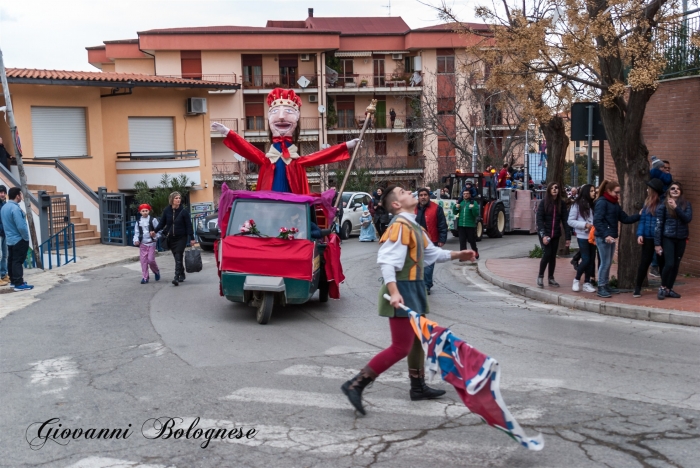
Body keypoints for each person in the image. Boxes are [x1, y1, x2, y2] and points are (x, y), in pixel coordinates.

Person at [340, 185, 476, 415]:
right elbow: (387, 261)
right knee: (400, 346)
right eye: (403, 192)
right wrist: (394, 291)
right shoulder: (400, 226)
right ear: (396, 204)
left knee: (416, 341)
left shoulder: (414, 225)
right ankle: (356, 384)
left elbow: (430, 254)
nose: (409, 193)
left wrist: (457, 255)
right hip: (402, 290)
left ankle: (418, 387)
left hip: (413, 289)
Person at [212, 88, 359, 194]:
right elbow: (247, 149)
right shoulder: (267, 160)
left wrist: (346, 145)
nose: (281, 117)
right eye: (275, 112)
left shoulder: (296, 161)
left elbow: (321, 156)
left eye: (288, 112)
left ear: (297, 117)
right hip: (269, 203)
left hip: (293, 205)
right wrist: (228, 132)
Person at [593, 180, 640, 298]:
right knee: (605, 262)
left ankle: (605, 284)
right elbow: (597, 221)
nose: (618, 195)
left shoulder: (614, 203)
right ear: (608, 191)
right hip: (604, 237)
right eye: (616, 192)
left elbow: (624, 218)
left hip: (611, 236)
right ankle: (601, 286)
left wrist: (639, 215)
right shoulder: (602, 202)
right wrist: (605, 235)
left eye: (619, 192)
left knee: (608, 262)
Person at [655, 182, 692, 300]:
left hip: (681, 238)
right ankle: (662, 287)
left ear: (681, 191)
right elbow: (658, 225)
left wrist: (676, 207)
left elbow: (687, 219)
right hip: (668, 237)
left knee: (676, 265)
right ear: (669, 192)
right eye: (672, 188)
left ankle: (669, 289)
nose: (675, 190)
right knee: (669, 263)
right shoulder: (663, 206)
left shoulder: (686, 205)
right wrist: (657, 244)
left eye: (678, 189)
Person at [153, 191, 195, 286]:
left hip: (181, 238)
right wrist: (155, 231)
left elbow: (189, 225)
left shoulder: (183, 212)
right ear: (172, 200)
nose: (178, 200)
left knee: (178, 255)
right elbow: (162, 223)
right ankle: (182, 273)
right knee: (177, 257)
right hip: (171, 238)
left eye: (179, 198)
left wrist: (192, 238)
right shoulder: (167, 210)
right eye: (176, 198)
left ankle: (176, 277)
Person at [632, 179, 665, 297]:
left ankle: (664, 286)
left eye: (649, 188)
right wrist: (640, 234)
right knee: (644, 262)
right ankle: (637, 287)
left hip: (659, 238)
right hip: (647, 237)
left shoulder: (662, 204)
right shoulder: (646, 204)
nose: (647, 190)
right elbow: (643, 220)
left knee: (662, 263)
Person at [536, 182, 571, 288]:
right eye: (552, 188)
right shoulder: (544, 203)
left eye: (556, 188)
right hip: (545, 233)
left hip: (555, 234)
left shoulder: (561, 204)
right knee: (547, 254)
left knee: (552, 256)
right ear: (549, 190)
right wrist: (543, 235)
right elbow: (539, 219)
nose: (555, 190)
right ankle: (540, 276)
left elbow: (565, 221)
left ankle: (551, 278)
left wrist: (568, 237)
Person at [414, 187, 447, 295]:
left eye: (425, 195)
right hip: (415, 241)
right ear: (418, 197)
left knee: (428, 265)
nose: (423, 197)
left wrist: (442, 239)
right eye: (421, 195)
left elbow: (442, 224)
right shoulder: (413, 208)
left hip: (431, 240)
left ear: (429, 196)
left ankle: (426, 286)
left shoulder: (436, 208)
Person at [0, 187, 33, 291]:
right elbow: (21, 226)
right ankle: (19, 283)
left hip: (9, 239)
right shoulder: (15, 208)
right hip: (18, 239)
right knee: (18, 261)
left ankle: (14, 281)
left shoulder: (4, 207)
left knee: (11, 260)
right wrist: (26, 238)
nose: (21, 197)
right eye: (20, 195)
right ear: (17, 195)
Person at [568, 184, 596, 293]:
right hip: (583, 236)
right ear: (586, 192)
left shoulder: (593, 204)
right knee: (586, 259)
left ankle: (587, 282)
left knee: (591, 259)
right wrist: (584, 225)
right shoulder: (577, 205)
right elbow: (570, 221)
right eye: (592, 191)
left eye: (594, 191)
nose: (594, 192)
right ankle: (576, 279)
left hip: (593, 236)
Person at [133, 203, 161, 284]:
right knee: (143, 261)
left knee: (150, 260)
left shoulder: (153, 220)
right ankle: (145, 277)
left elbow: (159, 230)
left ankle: (156, 271)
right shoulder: (138, 222)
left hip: (151, 243)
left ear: (149, 211)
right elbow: (136, 232)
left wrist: (155, 235)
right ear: (140, 212)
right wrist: (136, 240)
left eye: (146, 210)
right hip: (143, 244)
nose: (145, 212)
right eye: (143, 211)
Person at [454, 189, 480, 258]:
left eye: (467, 193)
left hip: (470, 225)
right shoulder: (460, 202)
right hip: (461, 225)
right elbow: (455, 212)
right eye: (464, 193)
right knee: (462, 241)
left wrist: (473, 208)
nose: (465, 195)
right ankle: (463, 256)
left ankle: (475, 252)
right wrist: (456, 207)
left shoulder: (473, 203)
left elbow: (476, 214)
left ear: (470, 195)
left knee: (471, 240)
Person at [0, 185, 8, 286]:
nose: (2, 194)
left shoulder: (5, 204)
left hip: (5, 233)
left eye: (3, 192)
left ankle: (3, 274)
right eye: (0, 192)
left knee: (5, 255)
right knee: (0, 255)